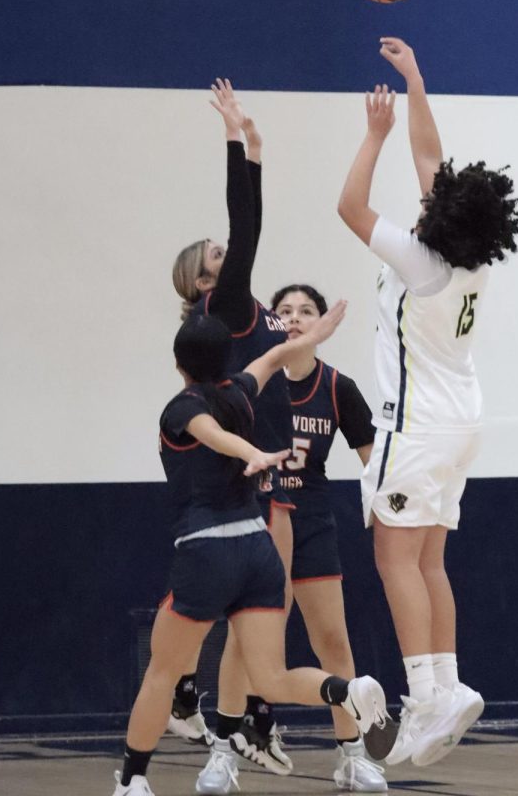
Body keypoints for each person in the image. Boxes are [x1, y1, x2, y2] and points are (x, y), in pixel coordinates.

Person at [111, 309, 397, 796]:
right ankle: (346, 691)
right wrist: (317, 335)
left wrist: (248, 453)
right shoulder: (242, 392)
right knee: (272, 676)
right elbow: (271, 357)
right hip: (259, 551)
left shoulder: (181, 408)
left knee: (162, 671)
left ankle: (133, 780)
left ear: (179, 363)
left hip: (207, 552)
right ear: (226, 361)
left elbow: (209, 433)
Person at [337, 36, 518, 768]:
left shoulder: (419, 260)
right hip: (462, 425)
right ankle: (446, 681)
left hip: (415, 429)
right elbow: (435, 162)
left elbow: (349, 206)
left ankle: (424, 695)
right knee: (430, 562)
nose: (429, 191)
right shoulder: (471, 258)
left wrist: (374, 132)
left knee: (393, 559)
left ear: (440, 218)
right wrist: (415, 80)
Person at [170, 81, 296, 787]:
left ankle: (232, 711)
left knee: (248, 600)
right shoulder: (230, 301)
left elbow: (242, 229)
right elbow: (245, 223)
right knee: (254, 598)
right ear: (205, 278)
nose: (228, 251)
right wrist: (244, 143)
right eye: (216, 253)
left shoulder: (230, 311)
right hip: (252, 465)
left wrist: (251, 144)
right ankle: (232, 713)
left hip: (259, 459)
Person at [271, 283, 384, 792]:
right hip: (259, 527)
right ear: (272, 323)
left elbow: (374, 461)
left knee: (332, 642)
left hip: (313, 525)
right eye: (284, 311)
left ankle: (353, 753)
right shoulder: (253, 382)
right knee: (251, 651)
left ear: (321, 322)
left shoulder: (337, 387)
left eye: (305, 310)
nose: (294, 318)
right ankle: (228, 747)